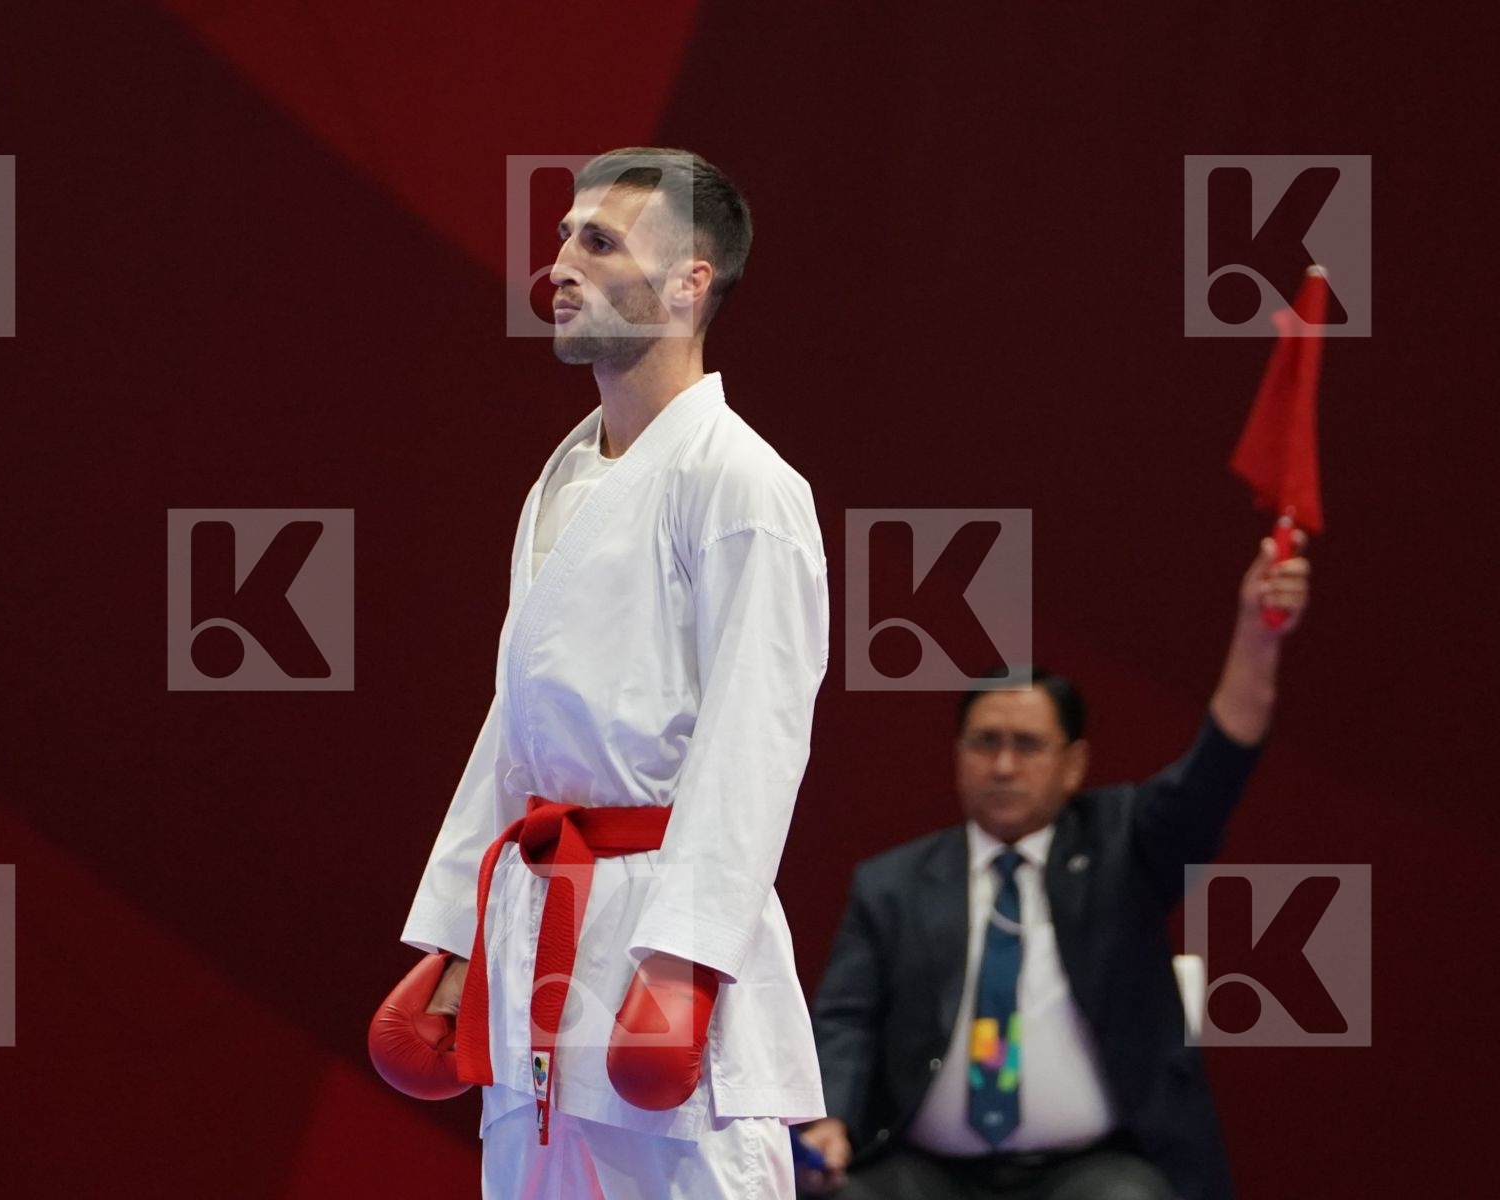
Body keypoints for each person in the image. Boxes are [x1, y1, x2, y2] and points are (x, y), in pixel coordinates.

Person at [369, 148, 829, 1198]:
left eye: (600, 241)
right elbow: (517, 724)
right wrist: (450, 933)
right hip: (537, 921)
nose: (561, 264)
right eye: (566, 236)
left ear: (688, 285)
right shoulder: (568, 476)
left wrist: (686, 961)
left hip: (655, 925)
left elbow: (756, 741)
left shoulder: (745, 486)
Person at [796, 535, 1312, 1200]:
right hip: (927, 1173)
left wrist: (1258, 634)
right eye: (985, 743)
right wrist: (829, 1119)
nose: (1004, 765)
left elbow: (1221, 760)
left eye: (1028, 745)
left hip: (1089, 1171)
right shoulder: (891, 885)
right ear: (958, 756)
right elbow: (846, 1018)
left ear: (1073, 764)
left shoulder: (1125, 847)